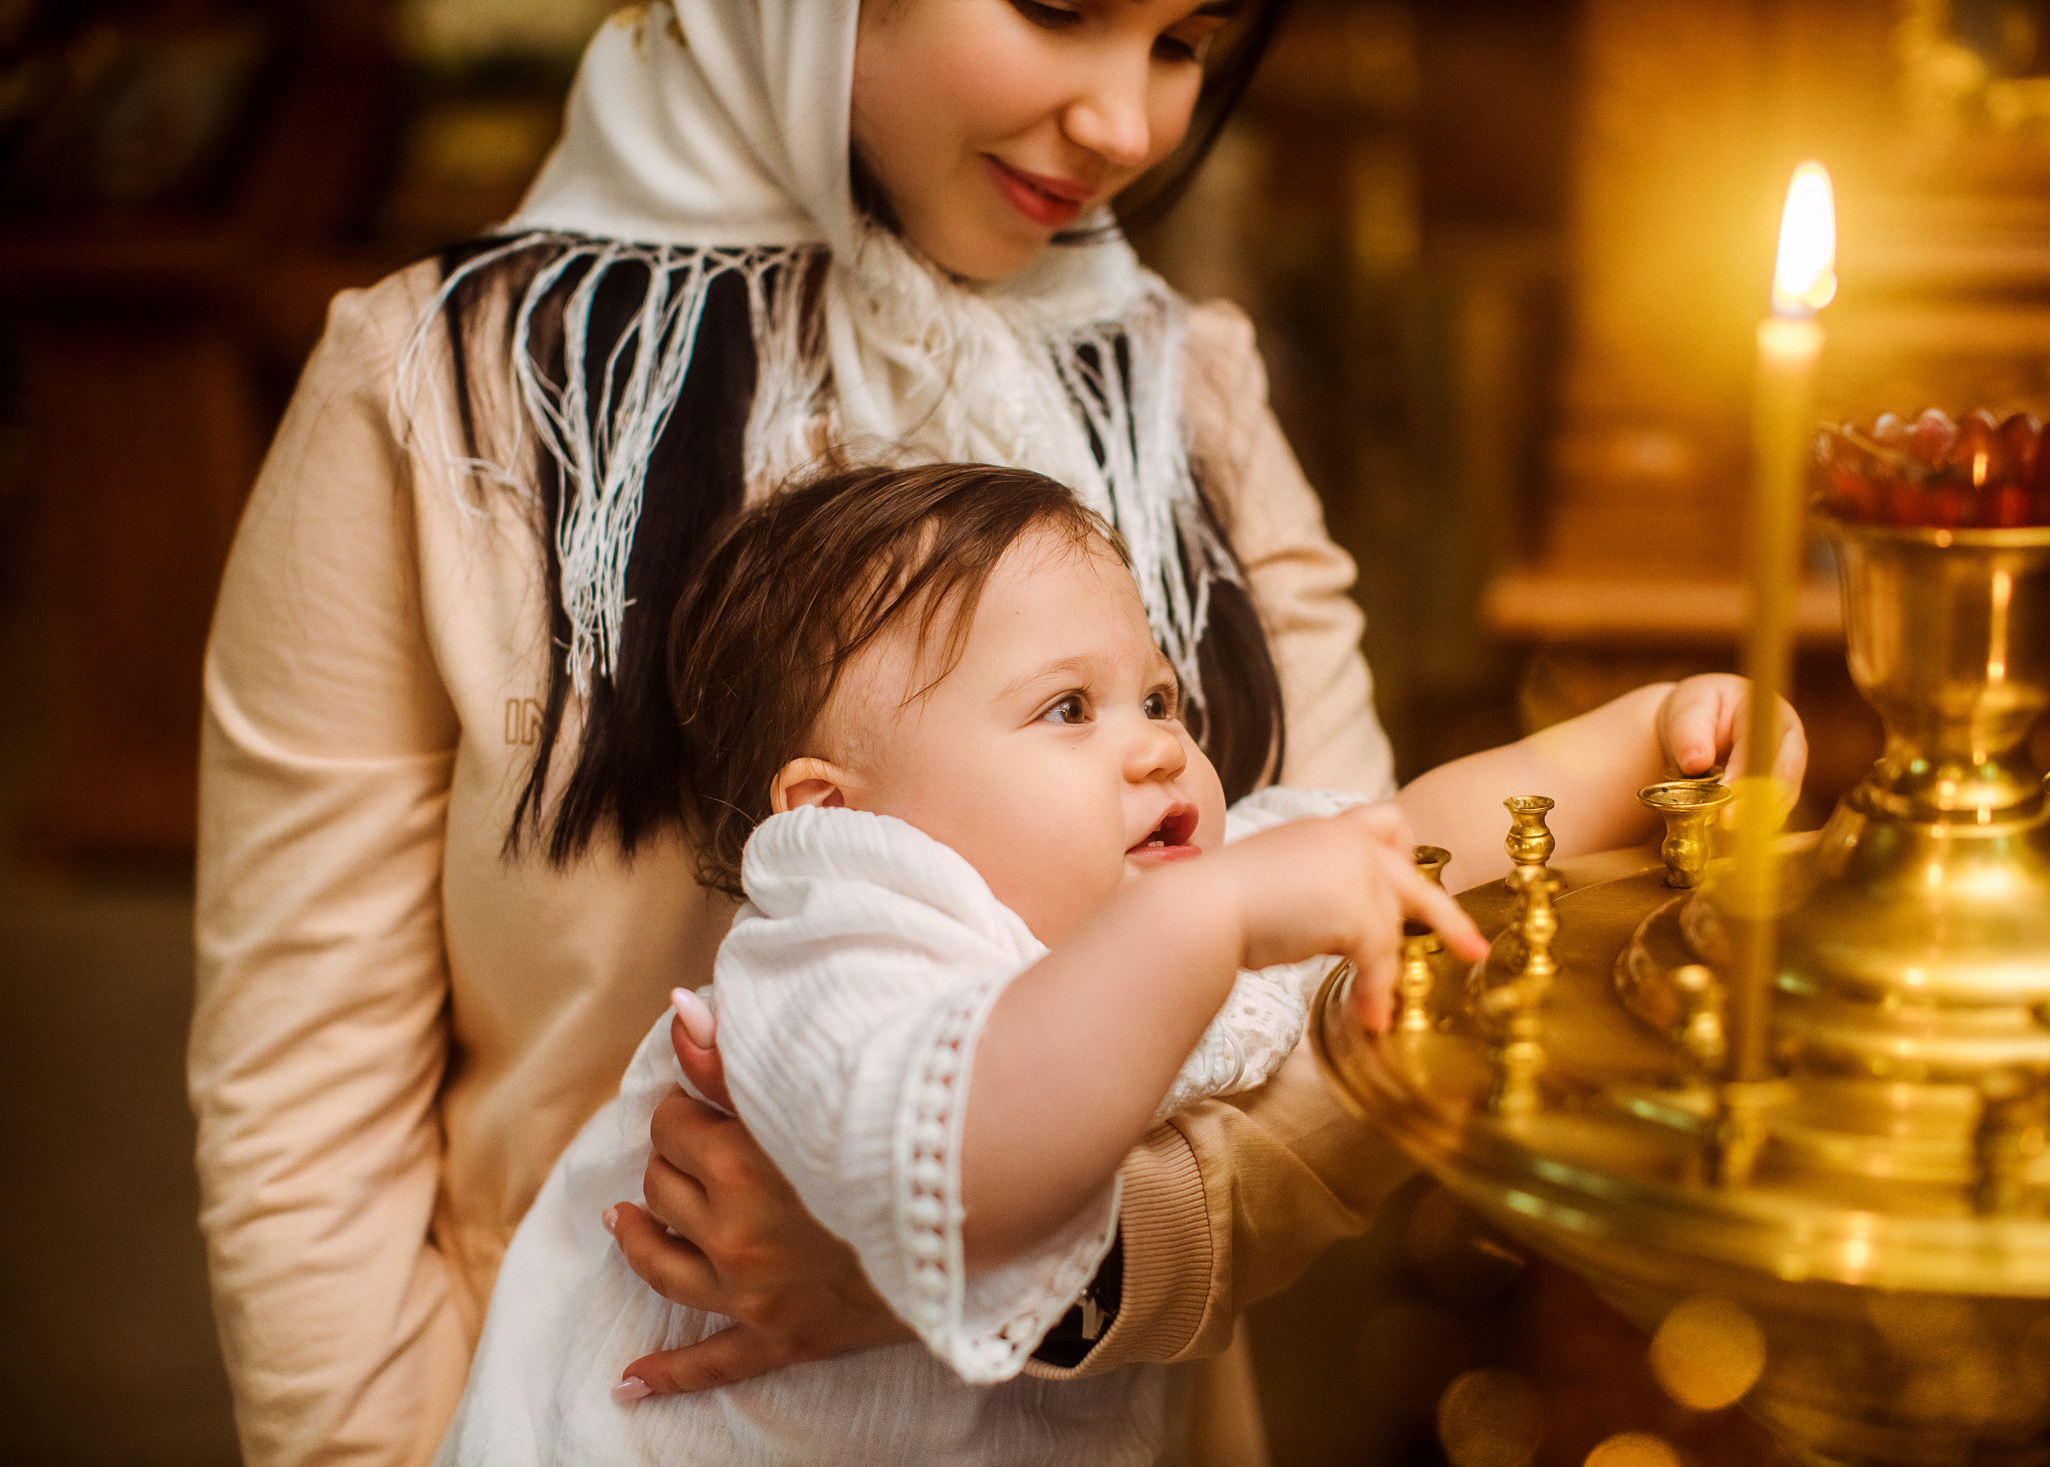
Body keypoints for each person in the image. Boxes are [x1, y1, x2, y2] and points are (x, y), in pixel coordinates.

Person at [189, 3, 1806, 1465]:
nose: (1129, 123)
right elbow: (302, 1114)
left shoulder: (1188, 395)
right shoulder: (442, 396)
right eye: (1061, 9)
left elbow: (1361, 989)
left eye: (1186, 41)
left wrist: (993, 1262)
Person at [433, 460, 1778, 1466]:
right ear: (833, 814)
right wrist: (1208, 926)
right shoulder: (844, 938)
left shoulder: (1187, 886)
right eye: (1067, 709)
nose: (1151, 745)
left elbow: (1422, 837)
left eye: (1157, 698)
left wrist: (1648, 744)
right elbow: (964, 1173)